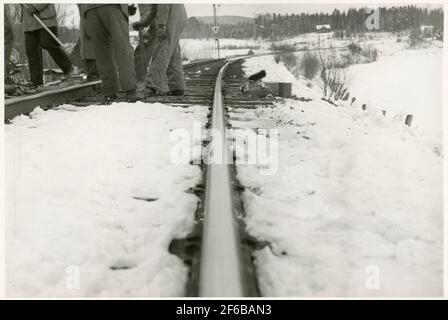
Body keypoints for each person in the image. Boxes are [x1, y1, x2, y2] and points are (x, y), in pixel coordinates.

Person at [81, 4, 137, 102]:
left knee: (102, 52)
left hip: (89, 10)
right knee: (122, 47)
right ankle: (130, 90)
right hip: (112, 6)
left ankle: (109, 91)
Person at [21, 4, 72, 88]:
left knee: (49, 43)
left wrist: (36, 7)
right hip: (29, 21)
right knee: (32, 50)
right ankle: (36, 81)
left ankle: (69, 70)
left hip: (45, 18)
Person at [144, 4, 187, 96]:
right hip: (179, 15)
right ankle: (177, 87)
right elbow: (154, 10)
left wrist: (161, 26)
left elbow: (163, 4)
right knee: (173, 51)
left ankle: (152, 85)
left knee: (162, 49)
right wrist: (143, 23)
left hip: (170, 16)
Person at [132, 4, 157, 82]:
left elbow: (149, 12)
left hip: (151, 25)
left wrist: (142, 24)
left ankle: (139, 80)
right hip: (158, 23)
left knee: (141, 53)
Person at [77, 4, 98, 82]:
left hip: (89, 51)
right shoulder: (86, 10)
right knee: (93, 73)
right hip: (92, 51)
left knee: (92, 72)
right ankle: (96, 88)